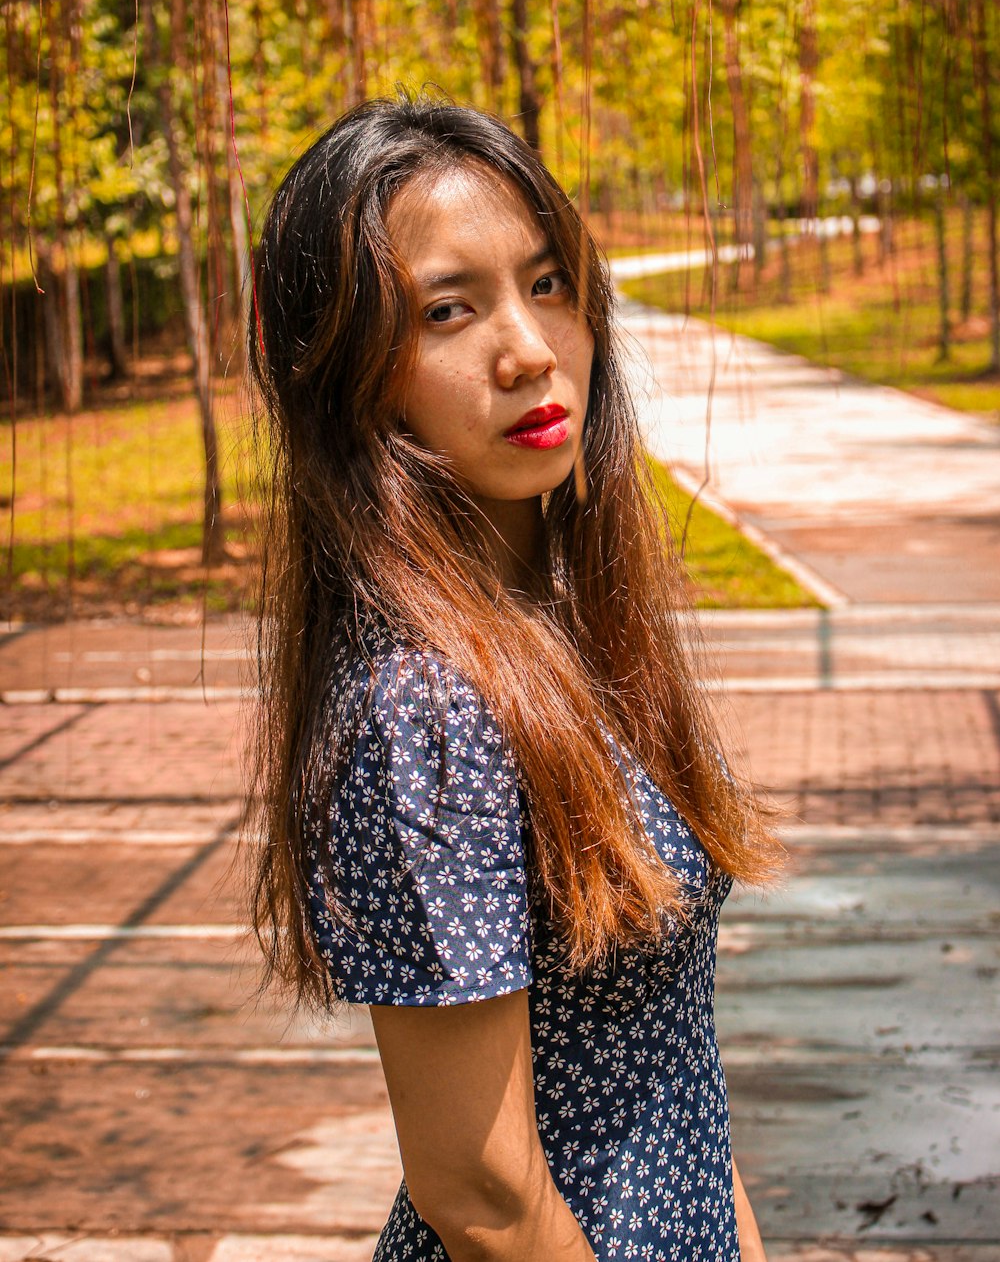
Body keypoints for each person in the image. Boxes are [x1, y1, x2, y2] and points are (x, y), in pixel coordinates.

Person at [245, 93, 780, 1261]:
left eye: (546, 284)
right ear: (352, 376)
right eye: (450, 309)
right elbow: (479, 1190)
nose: (530, 348)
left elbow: (668, 1058)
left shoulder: (567, 624)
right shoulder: (425, 708)